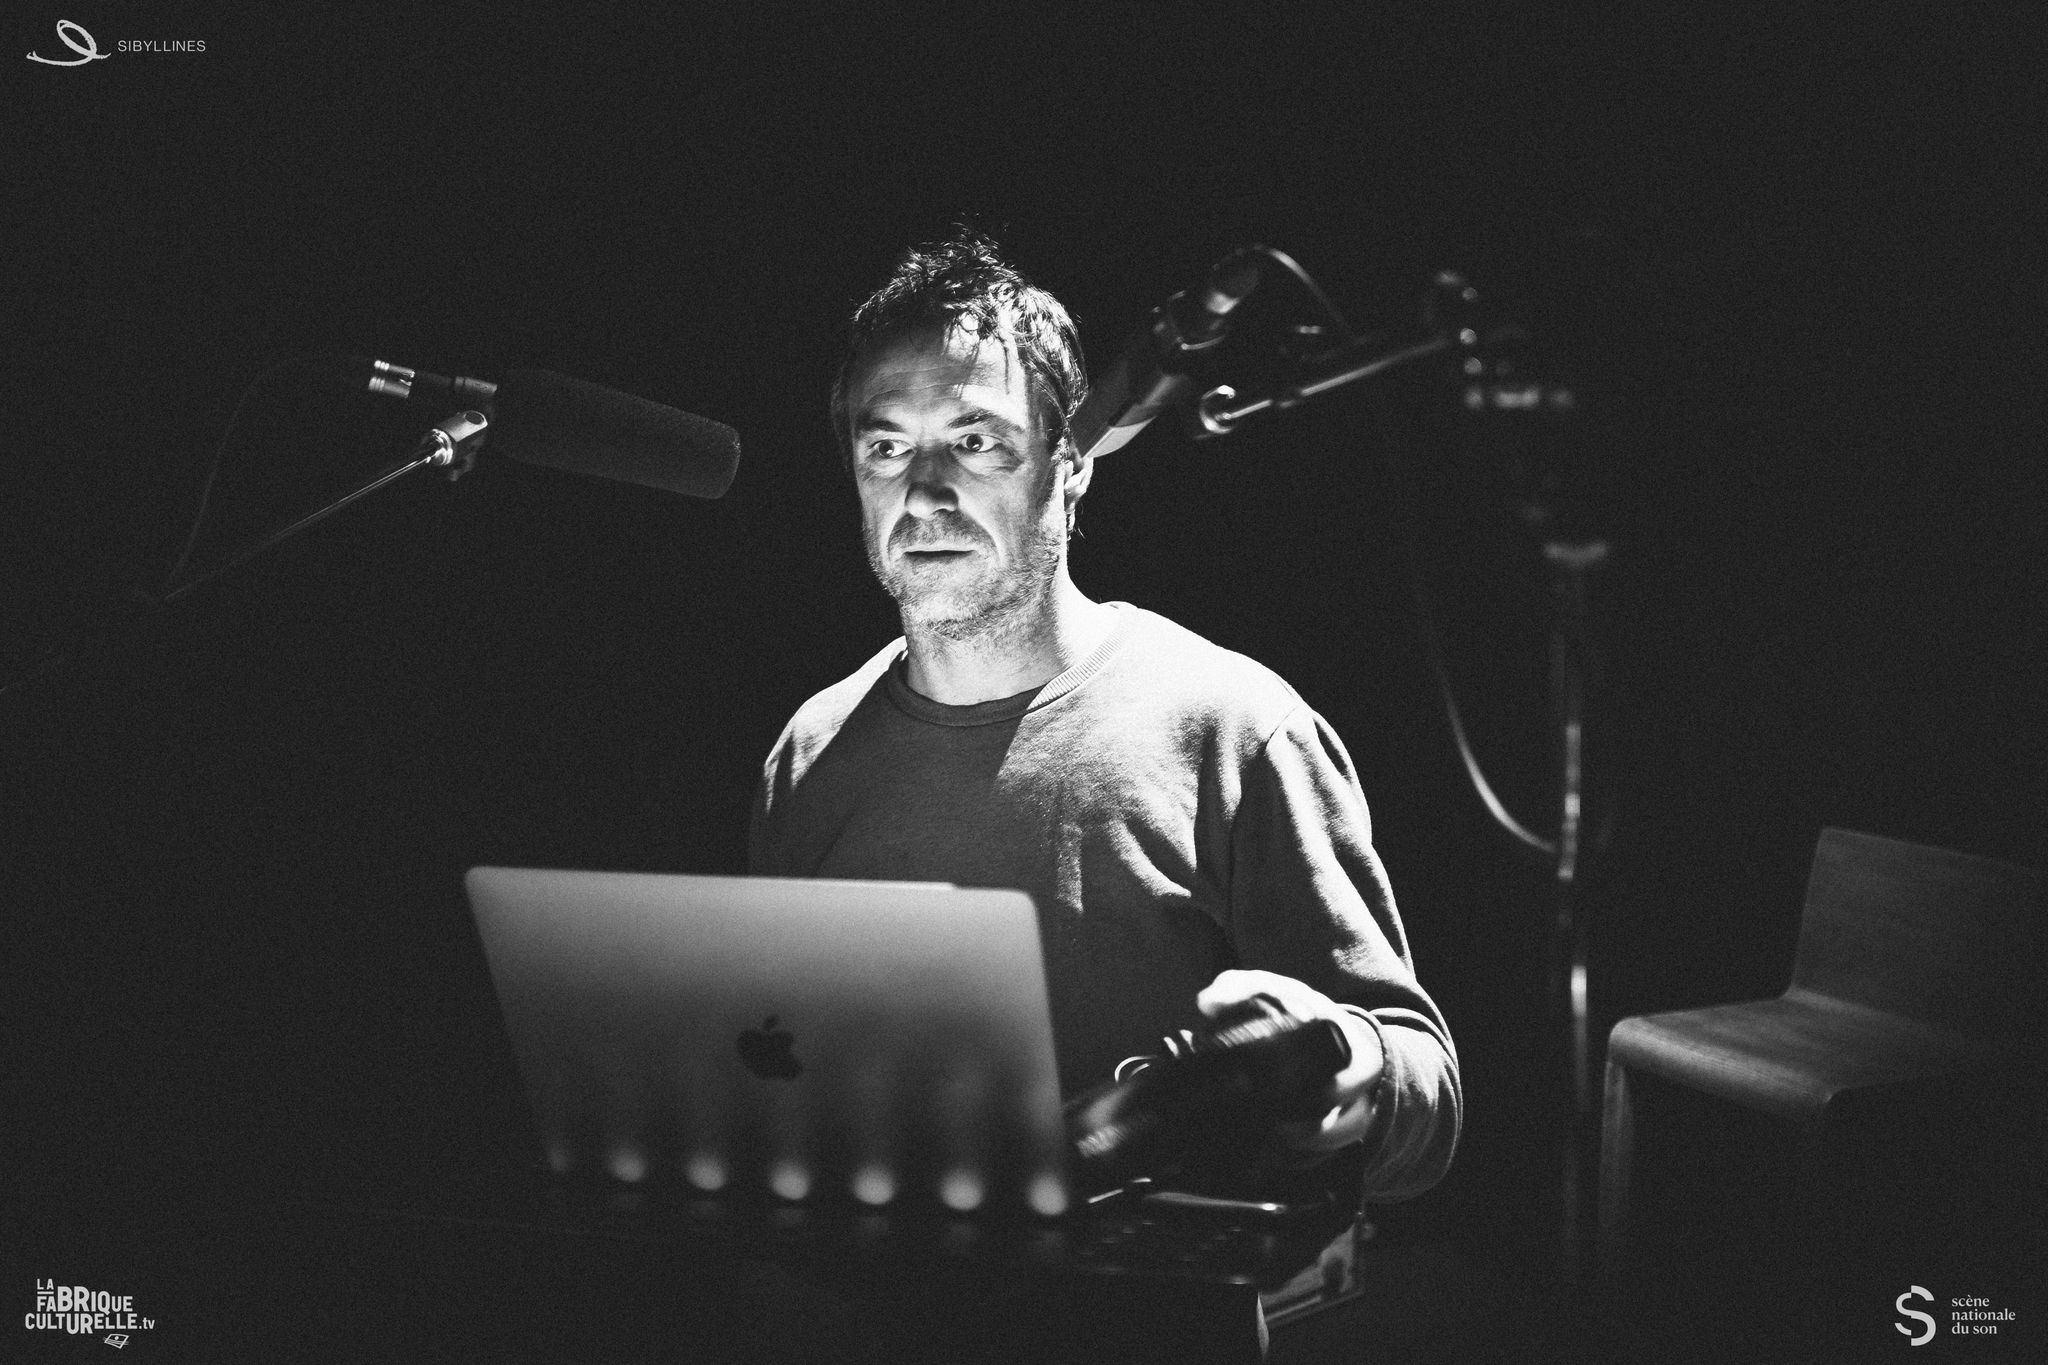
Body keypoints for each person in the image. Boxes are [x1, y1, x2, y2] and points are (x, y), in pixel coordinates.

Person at [750, 229, 1459, 1203]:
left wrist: (1349, 1059)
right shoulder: (807, 751)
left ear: (1071, 461)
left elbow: (1425, 1094)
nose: (923, 490)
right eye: (887, 447)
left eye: (975, 442)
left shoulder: (1234, 727)